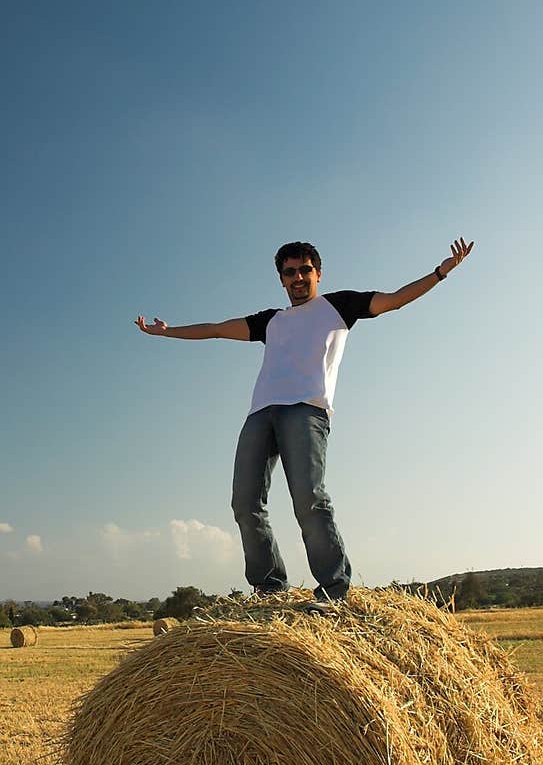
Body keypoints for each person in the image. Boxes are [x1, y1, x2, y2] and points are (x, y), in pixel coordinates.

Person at [136, 236, 474, 610]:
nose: (298, 277)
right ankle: (269, 588)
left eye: (305, 270)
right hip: (261, 412)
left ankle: (333, 590)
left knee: (309, 499)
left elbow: (394, 299)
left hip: (307, 410)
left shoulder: (339, 306)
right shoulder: (270, 321)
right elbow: (215, 328)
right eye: (289, 272)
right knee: (245, 503)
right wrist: (167, 332)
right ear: (281, 279)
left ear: (318, 273)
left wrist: (441, 272)